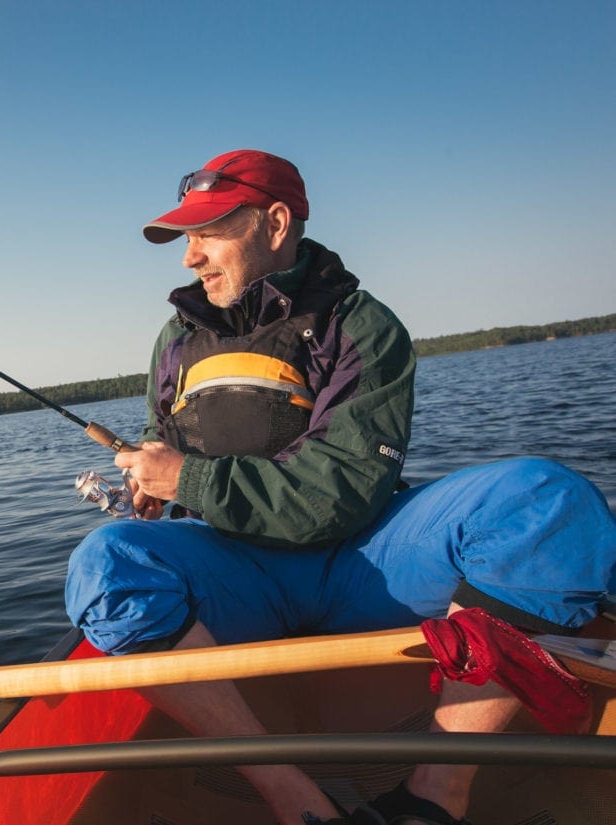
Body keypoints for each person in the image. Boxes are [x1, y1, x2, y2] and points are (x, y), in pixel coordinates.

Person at [64, 149, 616, 825]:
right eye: (186, 238)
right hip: (243, 571)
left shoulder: (363, 324)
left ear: (274, 222)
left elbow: (344, 492)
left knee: (549, 502)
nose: (191, 257)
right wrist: (156, 488)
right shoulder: (174, 340)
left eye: (209, 232)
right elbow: (168, 448)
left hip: (367, 559)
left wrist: (189, 477)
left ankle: (436, 792)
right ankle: (296, 798)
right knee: (105, 564)